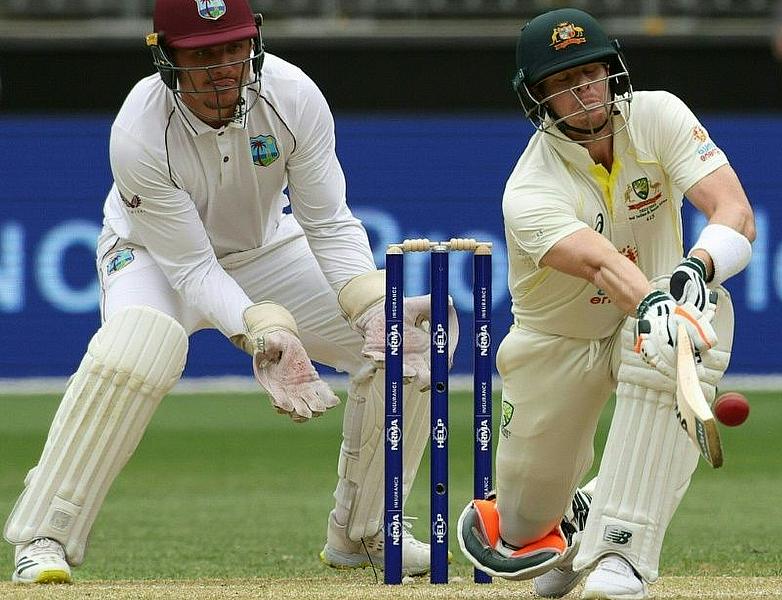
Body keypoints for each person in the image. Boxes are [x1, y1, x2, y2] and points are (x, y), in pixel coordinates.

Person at [3, 0, 450, 584]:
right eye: (202, 55)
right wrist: (263, 326)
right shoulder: (139, 131)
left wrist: (370, 306)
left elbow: (329, 221)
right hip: (151, 256)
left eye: (234, 50)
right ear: (167, 58)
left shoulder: (292, 94)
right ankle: (44, 535)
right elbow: (192, 268)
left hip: (265, 248)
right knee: (138, 345)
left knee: (407, 338)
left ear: (254, 44)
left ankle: (366, 531)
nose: (222, 71)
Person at [456, 8, 755, 600]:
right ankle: (583, 510)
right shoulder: (529, 188)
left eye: (590, 73)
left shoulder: (658, 114)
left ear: (611, 71)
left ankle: (622, 554)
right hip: (556, 341)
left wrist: (694, 272)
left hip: (656, 310)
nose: (584, 91)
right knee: (524, 527)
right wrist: (656, 301)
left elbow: (735, 213)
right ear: (538, 98)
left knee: (692, 326)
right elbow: (601, 265)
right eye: (563, 82)